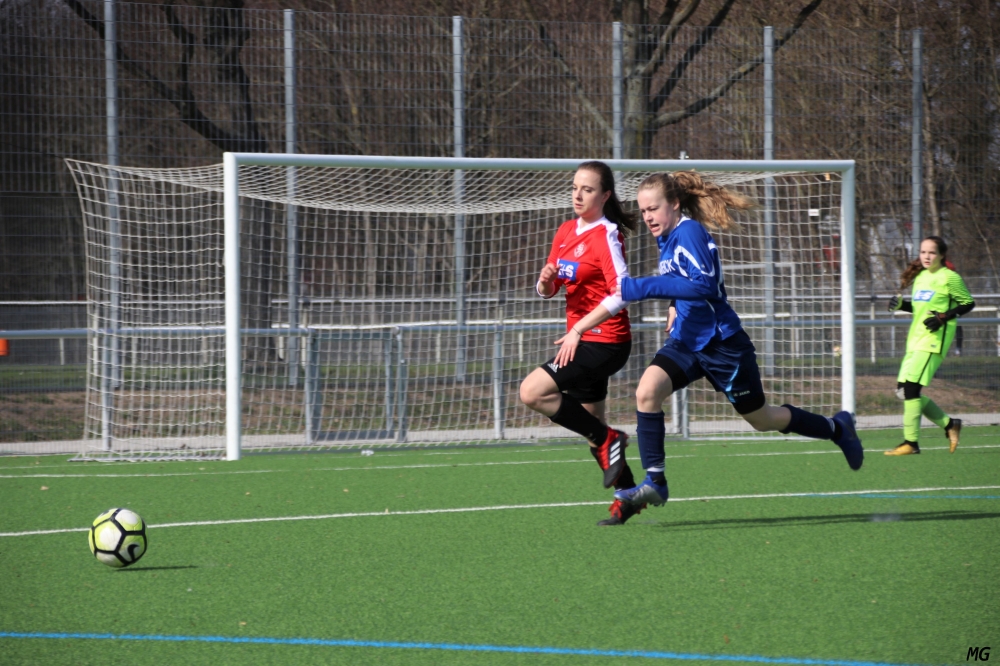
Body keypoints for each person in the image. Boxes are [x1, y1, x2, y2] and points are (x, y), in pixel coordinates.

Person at [611, 172, 864, 511]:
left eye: (653, 209)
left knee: (762, 419)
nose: (647, 217)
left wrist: (641, 287)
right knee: (646, 392)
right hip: (688, 341)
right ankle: (655, 481)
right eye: (643, 211)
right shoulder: (667, 237)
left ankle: (837, 428)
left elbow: (705, 285)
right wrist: (673, 305)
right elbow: (681, 278)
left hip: (723, 345)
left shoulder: (690, 232)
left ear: (674, 204)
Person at [518, 161, 643, 526]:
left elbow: (622, 293)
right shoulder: (565, 231)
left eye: (587, 189)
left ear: (604, 196)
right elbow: (551, 288)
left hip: (606, 342)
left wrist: (578, 330)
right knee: (592, 430)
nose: (578, 194)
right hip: (580, 341)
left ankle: (610, 438)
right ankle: (628, 496)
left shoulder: (607, 235)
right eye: (574, 187)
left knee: (532, 392)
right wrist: (545, 282)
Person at [885, 236, 974, 455]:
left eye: (932, 252)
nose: (926, 256)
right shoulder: (921, 277)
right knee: (902, 392)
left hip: (933, 341)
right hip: (915, 340)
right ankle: (949, 424)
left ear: (941, 255)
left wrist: (944, 317)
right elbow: (919, 308)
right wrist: (901, 305)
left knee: (912, 389)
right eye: (923, 252)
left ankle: (911, 442)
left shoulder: (950, 277)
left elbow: (968, 303)